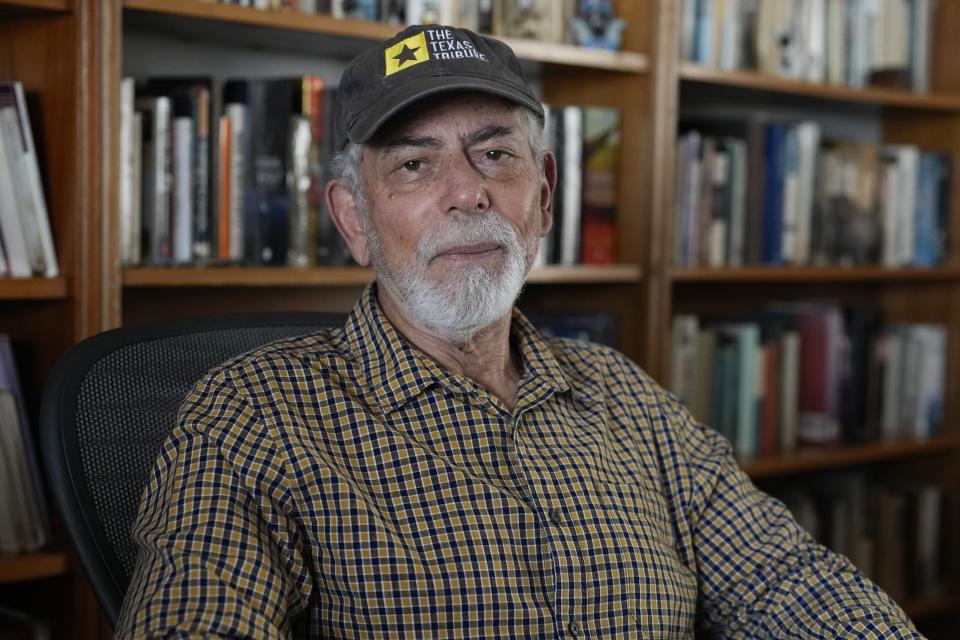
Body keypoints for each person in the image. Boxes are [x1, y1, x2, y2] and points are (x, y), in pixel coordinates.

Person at [116, 24, 923, 639]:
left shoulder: (624, 396)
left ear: (541, 199)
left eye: (494, 153)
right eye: (414, 164)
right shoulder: (255, 414)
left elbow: (789, 582)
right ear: (354, 221)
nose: (466, 192)